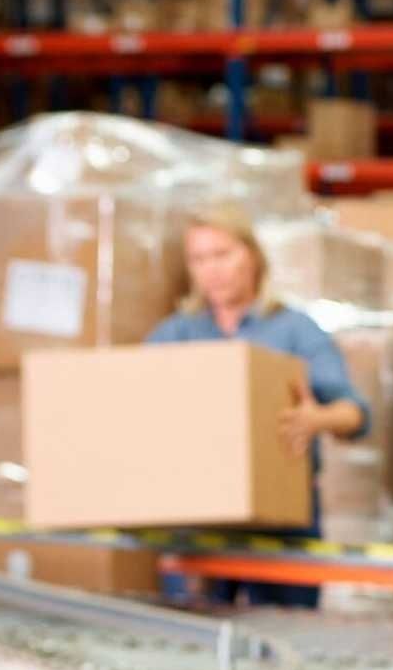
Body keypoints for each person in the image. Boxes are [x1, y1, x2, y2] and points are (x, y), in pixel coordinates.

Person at [147, 208, 369, 609]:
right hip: (195, 519)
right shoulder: (177, 334)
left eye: (222, 255)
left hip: (282, 519)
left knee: (287, 635)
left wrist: (316, 419)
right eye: (199, 259)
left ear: (252, 255)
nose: (211, 270)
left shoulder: (292, 330)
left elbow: (354, 415)